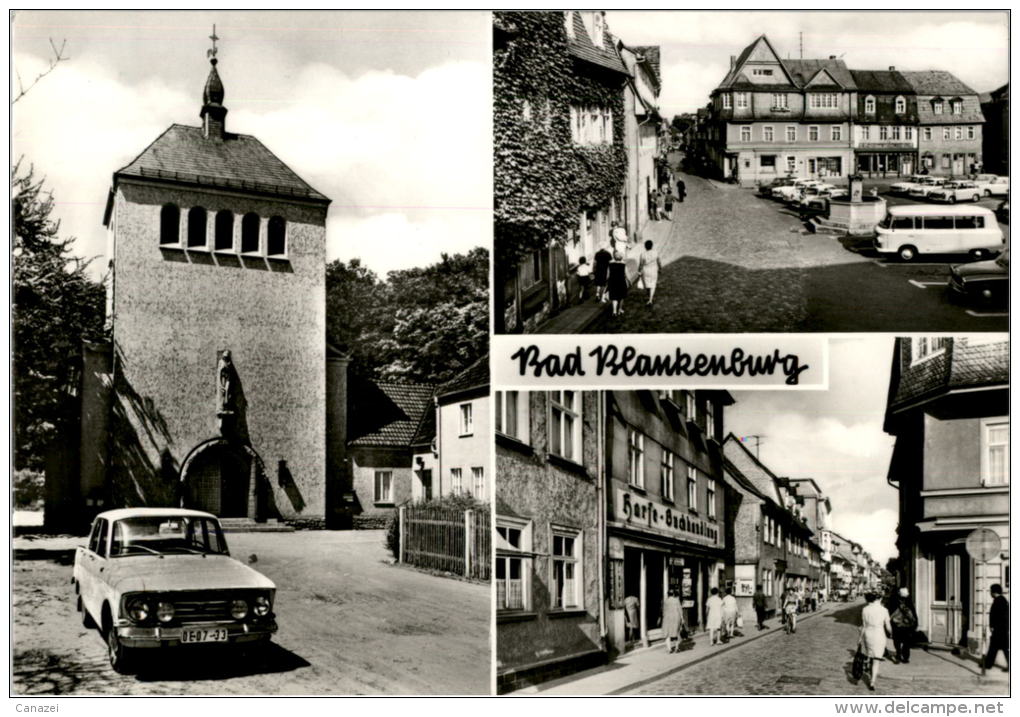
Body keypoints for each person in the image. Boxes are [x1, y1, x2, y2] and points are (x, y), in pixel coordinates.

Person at [859, 591, 892, 691]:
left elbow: (863, 626)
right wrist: (891, 634)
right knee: (877, 659)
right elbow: (888, 626)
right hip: (879, 634)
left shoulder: (865, 609)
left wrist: (859, 638)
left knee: (870, 653)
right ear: (879, 599)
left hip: (868, 634)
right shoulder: (884, 610)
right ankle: (872, 682)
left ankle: (868, 662)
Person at [888, 587, 918, 664]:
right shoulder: (909, 601)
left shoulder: (893, 601)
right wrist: (915, 624)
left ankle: (898, 654)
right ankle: (906, 657)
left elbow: (890, 613)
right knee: (906, 642)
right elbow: (913, 613)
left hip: (896, 625)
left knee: (897, 640)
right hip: (907, 625)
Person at [985, 583, 1009, 670]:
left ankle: (988, 664)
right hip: (1001, 629)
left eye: (991, 591)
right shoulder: (1001, 600)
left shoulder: (1000, 601)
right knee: (1000, 648)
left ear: (994, 592)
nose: (990, 593)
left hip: (1000, 629)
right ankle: (988, 664)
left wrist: (994, 626)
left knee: (995, 647)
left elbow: (1000, 616)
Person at [637, 240, 661, 307]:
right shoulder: (655, 252)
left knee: (647, 284)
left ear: (645, 247)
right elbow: (658, 261)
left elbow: (641, 264)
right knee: (653, 284)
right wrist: (660, 268)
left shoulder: (643, 254)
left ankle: (648, 295)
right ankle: (650, 299)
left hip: (646, 271)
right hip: (653, 270)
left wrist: (639, 271)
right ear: (652, 246)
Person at [661, 589, 684, 654]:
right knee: (676, 632)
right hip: (676, 617)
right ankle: (677, 648)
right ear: (673, 594)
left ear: (668, 594)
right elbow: (680, 610)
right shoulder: (677, 600)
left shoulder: (666, 601)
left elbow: (664, 611)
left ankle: (669, 649)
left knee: (667, 633)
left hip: (667, 618)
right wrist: (682, 618)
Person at [607, 250, 628, 317]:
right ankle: (620, 309)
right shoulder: (624, 265)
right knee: (622, 296)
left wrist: (607, 282)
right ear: (621, 258)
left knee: (614, 296)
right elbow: (627, 274)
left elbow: (607, 275)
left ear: (614, 257)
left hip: (613, 282)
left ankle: (614, 311)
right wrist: (630, 282)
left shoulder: (610, 264)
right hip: (621, 282)